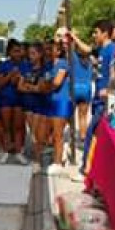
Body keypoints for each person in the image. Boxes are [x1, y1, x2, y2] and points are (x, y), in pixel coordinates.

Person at [71, 20, 115, 174]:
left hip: (105, 101)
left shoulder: (112, 50)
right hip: (97, 100)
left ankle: (86, 169)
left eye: (96, 32)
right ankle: (95, 170)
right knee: (97, 136)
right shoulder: (100, 49)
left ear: (105, 33)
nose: (93, 35)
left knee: (91, 134)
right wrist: (74, 38)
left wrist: (109, 90)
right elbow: (87, 49)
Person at [18, 42, 51, 169]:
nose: (30, 56)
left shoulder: (45, 68)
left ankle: (37, 160)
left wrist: (29, 86)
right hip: (27, 105)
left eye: (33, 53)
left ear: (40, 54)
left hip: (40, 105)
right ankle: (37, 157)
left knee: (38, 134)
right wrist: (33, 87)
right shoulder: (25, 67)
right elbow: (20, 87)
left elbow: (42, 89)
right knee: (32, 133)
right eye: (29, 53)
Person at [0, 40, 29, 165]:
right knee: (6, 127)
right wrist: (10, 75)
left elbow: (24, 82)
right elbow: (0, 84)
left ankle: (18, 152)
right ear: (9, 52)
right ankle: (6, 151)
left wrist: (18, 79)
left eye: (19, 51)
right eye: (15, 51)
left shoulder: (25, 65)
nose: (18, 53)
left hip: (19, 99)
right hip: (5, 99)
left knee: (18, 127)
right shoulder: (4, 65)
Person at [47, 36, 74, 174]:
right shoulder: (50, 64)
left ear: (58, 51)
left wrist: (45, 86)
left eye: (50, 49)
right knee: (53, 132)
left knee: (58, 134)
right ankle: (58, 156)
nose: (47, 51)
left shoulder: (62, 64)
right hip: (53, 100)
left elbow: (57, 83)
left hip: (61, 101)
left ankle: (58, 162)